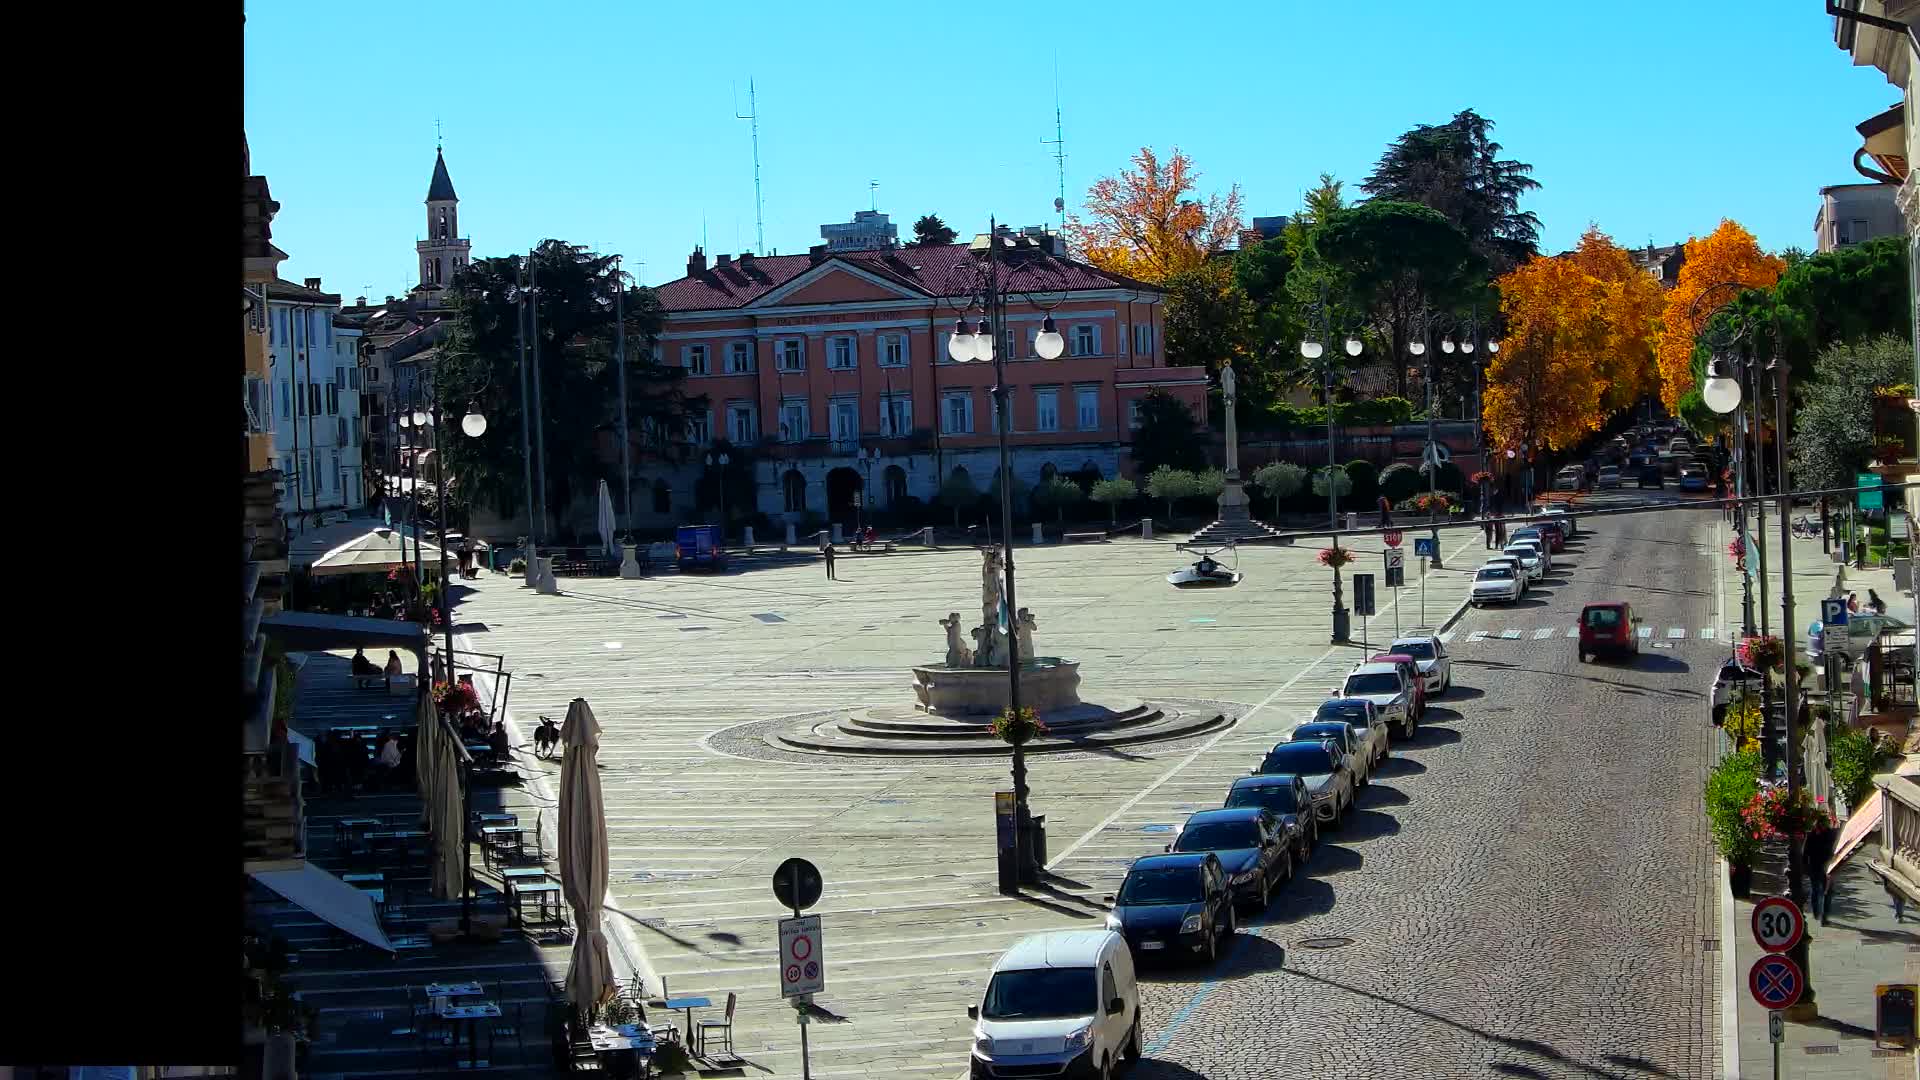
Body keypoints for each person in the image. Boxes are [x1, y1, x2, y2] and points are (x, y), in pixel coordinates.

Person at [1803, 812, 1838, 925]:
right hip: (1826, 866)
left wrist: (1805, 868)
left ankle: (1818, 913)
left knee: (1817, 890)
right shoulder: (1830, 834)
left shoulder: (1812, 834)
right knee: (1825, 891)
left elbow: (1805, 853)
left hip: (1816, 866)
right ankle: (1822, 916)